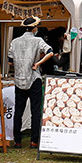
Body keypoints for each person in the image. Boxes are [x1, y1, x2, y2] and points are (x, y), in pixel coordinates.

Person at [8, 16, 53, 148]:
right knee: (35, 111)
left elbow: (10, 61)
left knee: (18, 111)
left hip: (19, 79)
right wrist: (37, 63)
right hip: (34, 78)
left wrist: (19, 64)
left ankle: (17, 140)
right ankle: (34, 141)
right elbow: (50, 52)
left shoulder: (14, 42)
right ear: (34, 28)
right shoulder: (38, 40)